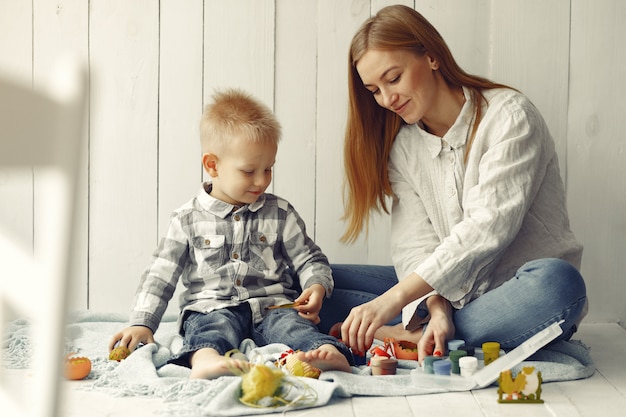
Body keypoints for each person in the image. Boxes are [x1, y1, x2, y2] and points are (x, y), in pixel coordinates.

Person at [319, 5, 588, 362]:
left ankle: (407, 336)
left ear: (431, 57)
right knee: (318, 281)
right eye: (374, 90)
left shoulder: (510, 117)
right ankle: (429, 332)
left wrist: (392, 301)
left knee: (560, 283)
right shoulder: (404, 147)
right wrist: (437, 306)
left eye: (393, 78)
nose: (386, 99)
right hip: (448, 298)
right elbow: (415, 244)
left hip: (520, 295)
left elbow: (486, 231)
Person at [109, 89, 352, 379]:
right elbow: (160, 275)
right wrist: (143, 322)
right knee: (211, 328)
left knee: (292, 325)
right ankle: (206, 360)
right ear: (213, 165)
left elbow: (309, 257)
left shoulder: (280, 213)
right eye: (249, 171)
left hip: (272, 305)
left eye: (268, 169)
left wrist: (317, 286)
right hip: (211, 307)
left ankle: (325, 352)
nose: (262, 180)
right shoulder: (187, 219)